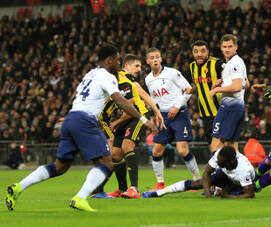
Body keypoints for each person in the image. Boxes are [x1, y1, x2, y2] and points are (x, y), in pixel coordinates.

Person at [5, 45, 158, 212]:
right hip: (85, 121)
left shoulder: (90, 74)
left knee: (60, 166)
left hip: (72, 118)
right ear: (109, 60)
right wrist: (144, 120)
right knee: (107, 162)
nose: (119, 64)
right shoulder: (109, 77)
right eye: (117, 60)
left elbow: (77, 97)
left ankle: (19, 187)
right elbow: (121, 101)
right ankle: (80, 198)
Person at [92, 54, 166, 199]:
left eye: (140, 66)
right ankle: (122, 189)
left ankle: (134, 189)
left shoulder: (126, 81)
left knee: (126, 147)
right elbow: (142, 95)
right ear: (126, 67)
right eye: (136, 66)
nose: (139, 69)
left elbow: (136, 101)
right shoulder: (121, 78)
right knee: (115, 154)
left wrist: (156, 112)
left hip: (138, 116)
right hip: (126, 118)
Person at [145, 47, 200, 191]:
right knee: (156, 151)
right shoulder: (148, 79)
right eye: (152, 57)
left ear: (161, 59)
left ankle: (197, 180)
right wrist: (155, 114)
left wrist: (177, 106)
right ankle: (160, 183)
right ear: (148, 61)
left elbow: (189, 90)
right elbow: (153, 99)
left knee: (182, 150)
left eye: (157, 57)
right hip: (162, 117)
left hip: (179, 113)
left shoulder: (172, 73)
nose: (155, 59)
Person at [142, 146, 255, 199]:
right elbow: (206, 173)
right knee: (199, 183)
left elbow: (250, 195)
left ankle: (221, 189)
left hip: (238, 183)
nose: (217, 163)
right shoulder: (220, 154)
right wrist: (207, 195)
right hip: (227, 174)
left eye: (220, 162)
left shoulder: (243, 171)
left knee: (234, 194)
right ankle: (159, 193)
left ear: (229, 162)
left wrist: (227, 196)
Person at [209, 34, 247, 153]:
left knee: (215, 146)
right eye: (224, 46)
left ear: (236, 47)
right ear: (221, 47)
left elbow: (237, 87)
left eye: (230, 46)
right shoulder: (237, 62)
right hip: (238, 107)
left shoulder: (234, 63)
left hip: (230, 107)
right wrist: (223, 82)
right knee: (232, 146)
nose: (227, 49)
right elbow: (247, 83)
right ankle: (243, 171)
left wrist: (217, 89)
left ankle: (217, 171)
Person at [186, 40, 224, 149]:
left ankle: (226, 165)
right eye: (196, 51)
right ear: (192, 53)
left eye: (203, 51)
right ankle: (216, 163)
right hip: (204, 111)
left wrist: (221, 81)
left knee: (221, 141)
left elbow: (232, 77)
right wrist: (191, 90)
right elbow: (199, 83)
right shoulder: (192, 66)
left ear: (208, 52)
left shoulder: (217, 63)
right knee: (210, 141)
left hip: (219, 110)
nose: (199, 54)